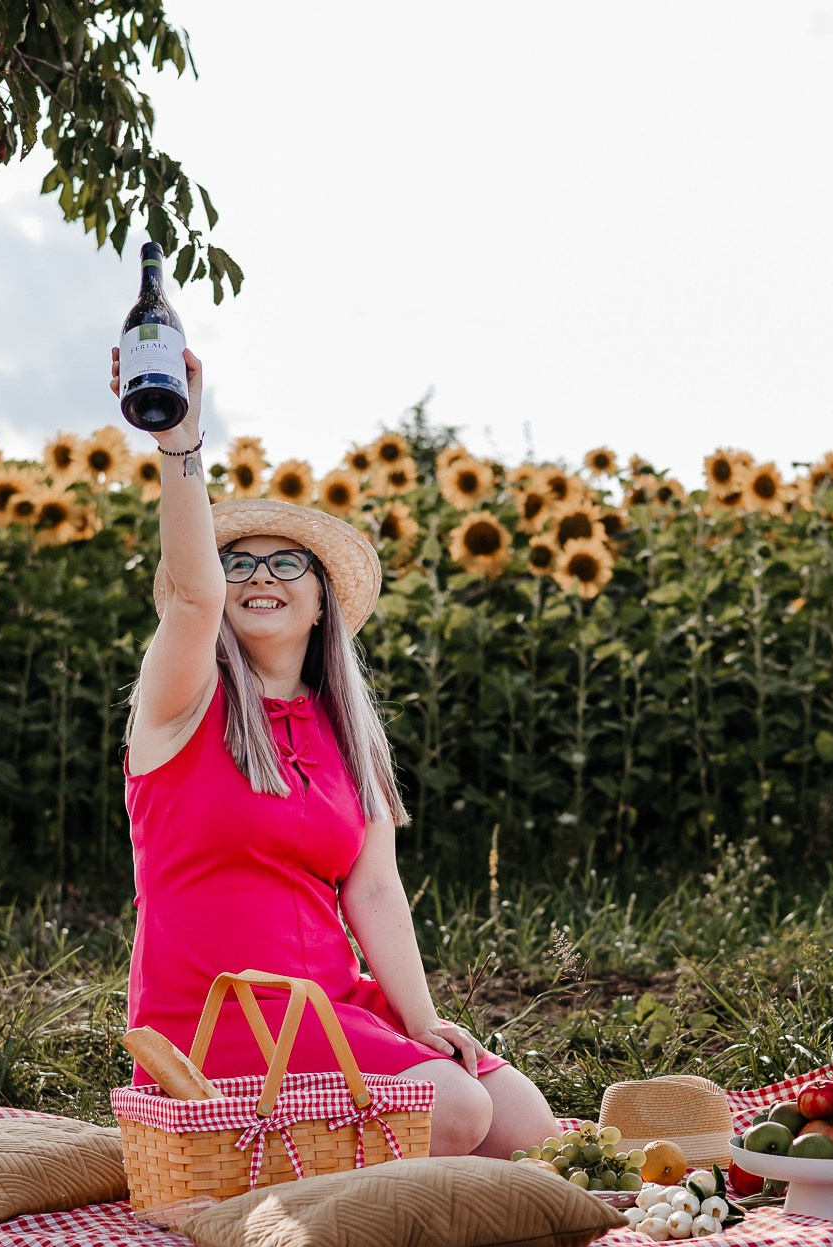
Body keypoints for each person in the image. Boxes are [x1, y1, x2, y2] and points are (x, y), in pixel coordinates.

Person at [110, 345, 557, 1158]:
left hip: (329, 1005)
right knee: (451, 1112)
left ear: (322, 601)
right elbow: (192, 591)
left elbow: (376, 889)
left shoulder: (345, 733)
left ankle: (367, 1184)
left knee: (526, 1125)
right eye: (239, 560)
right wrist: (180, 444)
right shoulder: (179, 702)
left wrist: (419, 1020)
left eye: (288, 562)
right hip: (217, 1017)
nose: (258, 575)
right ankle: (286, 1189)